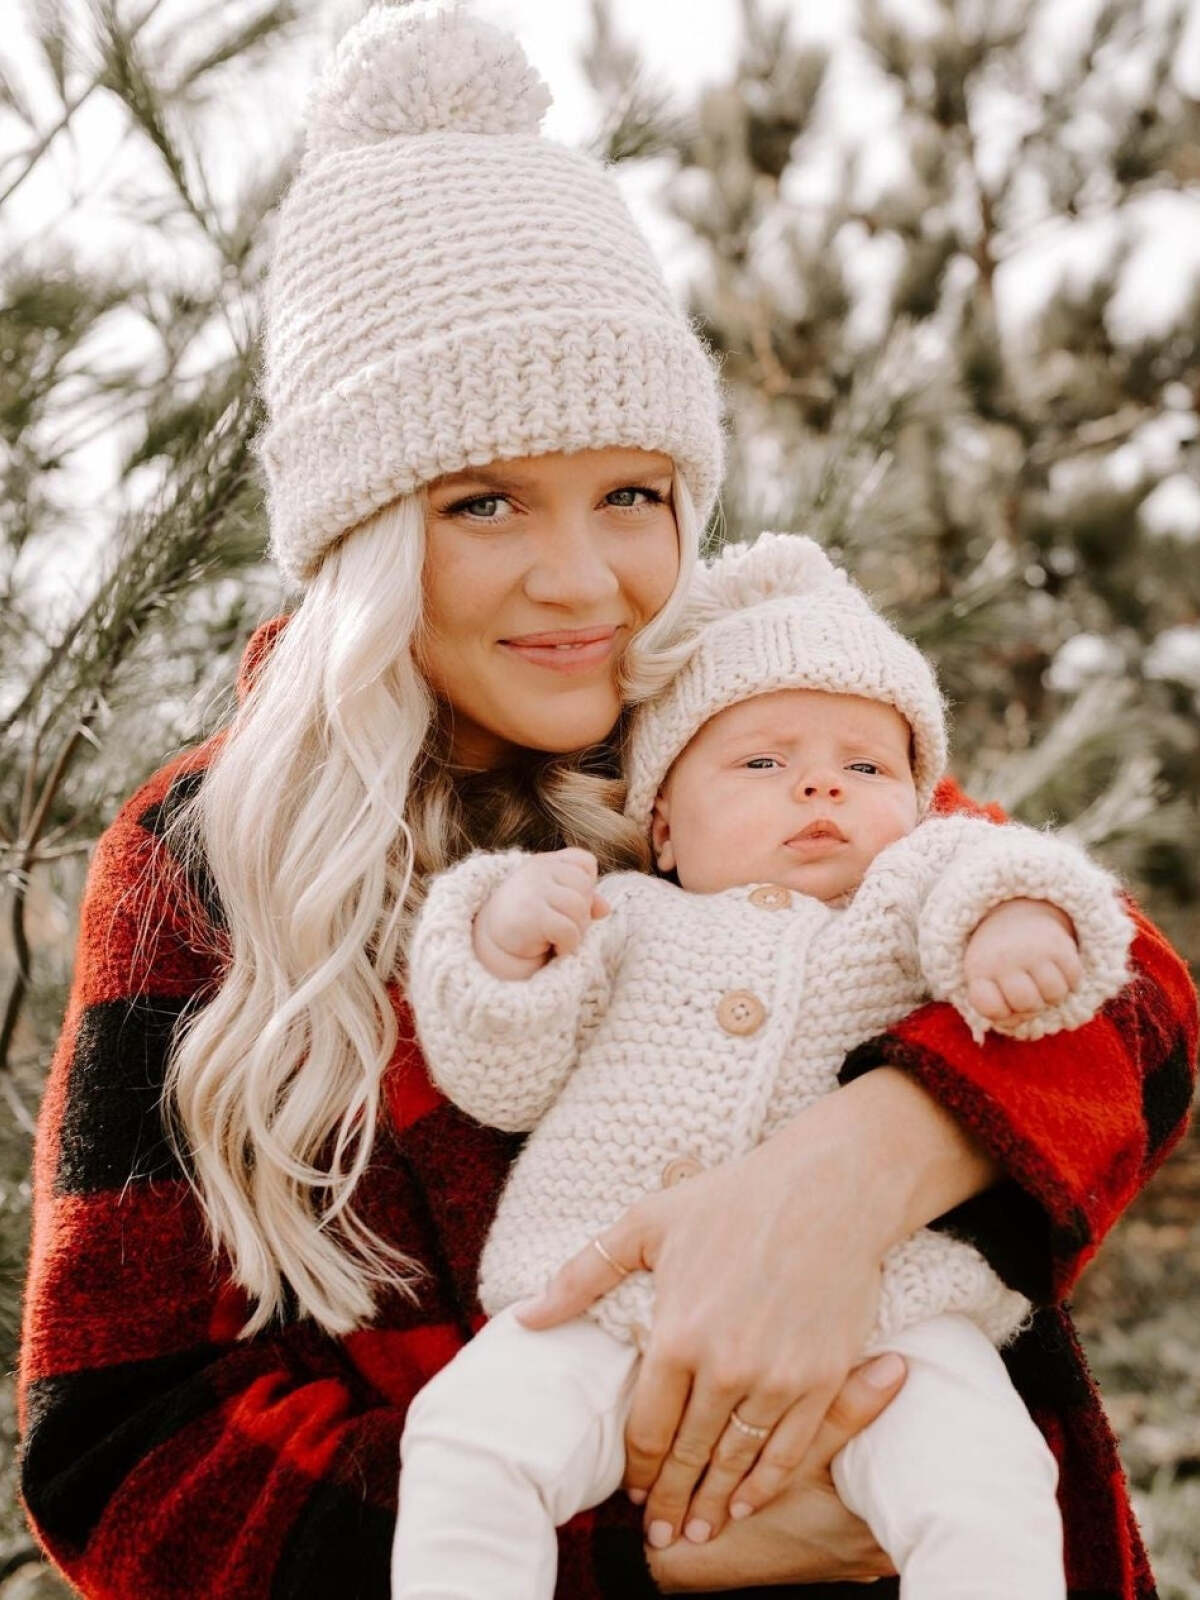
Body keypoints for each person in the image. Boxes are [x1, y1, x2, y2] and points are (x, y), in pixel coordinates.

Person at [16, 6, 1196, 1598]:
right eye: (484, 501)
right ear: (362, 530)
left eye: (632, 493)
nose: (582, 583)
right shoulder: (207, 858)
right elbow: (120, 1457)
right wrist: (634, 1556)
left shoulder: (739, 727)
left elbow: (1127, 996)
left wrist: (851, 1173)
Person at [395, 531, 1133, 1600]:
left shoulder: (904, 897)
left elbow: (1013, 873)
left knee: (989, 1482)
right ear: (663, 825)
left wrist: (1016, 920)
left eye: (865, 766)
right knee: (467, 1443)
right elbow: (499, 1074)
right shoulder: (623, 915)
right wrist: (505, 941)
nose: (822, 789)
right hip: (597, 1298)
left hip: (888, 1318)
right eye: (763, 762)